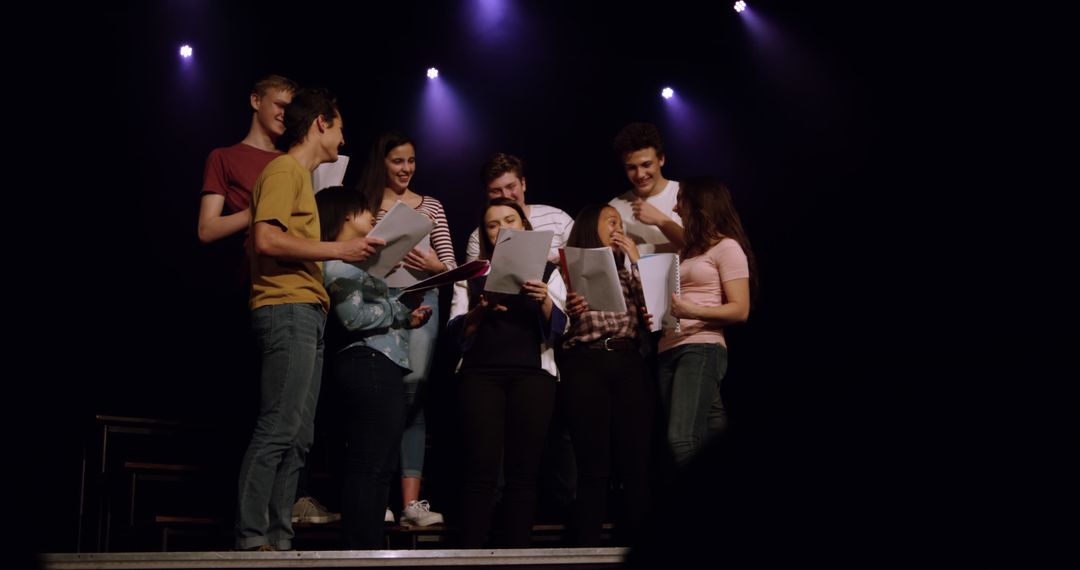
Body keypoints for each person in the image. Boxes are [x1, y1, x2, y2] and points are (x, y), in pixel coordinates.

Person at [234, 88, 384, 552]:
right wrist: (340, 248)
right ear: (320, 123)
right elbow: (266, 239)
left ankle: (278, 538)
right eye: (339, 126)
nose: (343, 137)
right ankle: (252, 535)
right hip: (285, 309)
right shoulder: (284, 170)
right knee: (279, 425)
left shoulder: (299, 177)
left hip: (306, 310)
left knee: (299, 436)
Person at [316, 185, 433, 549]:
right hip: (365, 363)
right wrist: (397, 310)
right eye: (366, 212)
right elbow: (353, 317)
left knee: (382, 466)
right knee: (368, 463)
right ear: (346, 216)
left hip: (385, 364)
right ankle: (356, 548)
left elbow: (374, 314)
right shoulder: (335, 263)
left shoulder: (358, 266)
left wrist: (405, 313)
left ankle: (369, 547)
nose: (372, 219)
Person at [447, 198, 568, 547]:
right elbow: (456, 333)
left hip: (532, 376)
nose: (502, 228)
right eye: (493, 223)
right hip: (481, 375)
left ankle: (516, 554)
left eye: (509, 219)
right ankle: (471, 554)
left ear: (524, 225)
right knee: (480, 470)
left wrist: (544, 298)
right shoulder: (472, 274)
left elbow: (561, 327)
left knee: (524, 474)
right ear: (485, 233)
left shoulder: (548, 272)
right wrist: (480, 311)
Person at [357, 131, 455, 527]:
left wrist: (434, 268)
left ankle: (411, 505)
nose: (406, 169)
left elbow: (450, 267)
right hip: (378, 302)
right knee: (381, 397)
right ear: (382, 162)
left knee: (413, 395)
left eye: (411, 161)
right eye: (398, 161)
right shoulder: (364, 202)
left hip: (422, 302)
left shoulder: (431, 205)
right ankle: (376, 496)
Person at [556, 204, 654, 546]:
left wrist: (637, 260)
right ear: (590, 227)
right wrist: (570, 309)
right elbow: (556, 318)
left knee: (636, 463)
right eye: (610, 221)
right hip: (586, 361)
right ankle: (586, 546)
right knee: (593, 465)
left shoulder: (630, 271)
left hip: (628, 361)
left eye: (620, 223)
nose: (618, 228)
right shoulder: (567, 269)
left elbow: (657, 310)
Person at [658, 177, 756, 467]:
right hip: (669, 347)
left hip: (701, 347)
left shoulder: (727, 248)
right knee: (713, 430)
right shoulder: (687, 251)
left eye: (681, 201)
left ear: (699, 205)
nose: (676, 209)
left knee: (683, 437)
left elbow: (740, 310)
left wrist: (693, 311)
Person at [463, 153, 574, 263]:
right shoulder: (478, 237)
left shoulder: (558, 218)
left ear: (523, 184)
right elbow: (473, 278)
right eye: (496, 191)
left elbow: (582, 266)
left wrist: (556, 261)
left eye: (511, 187)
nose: (505, 195)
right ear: (487, 194)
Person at [608, 122, 684, 255]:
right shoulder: (614, 208)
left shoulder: (687, 195)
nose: (640, 174)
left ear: (661, 159)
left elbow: (706, 249)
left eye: (646, 164)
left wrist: (661, 220)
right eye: (632, 168)